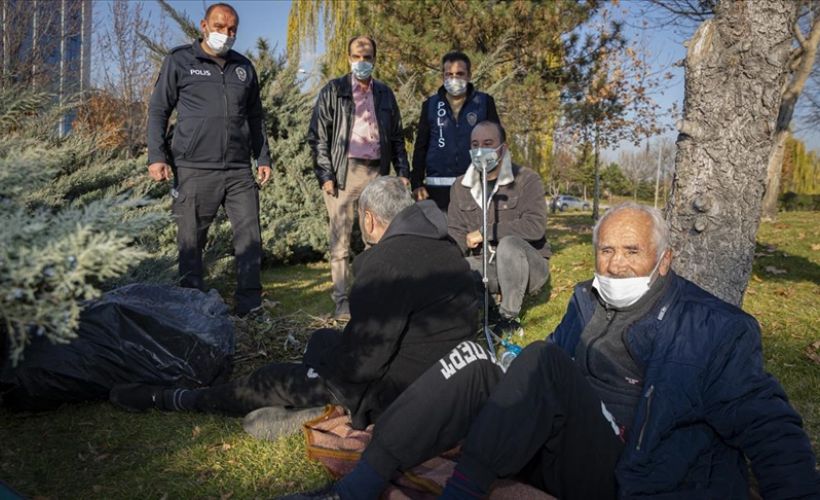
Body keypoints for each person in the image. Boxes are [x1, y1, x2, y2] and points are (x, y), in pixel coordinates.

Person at [301, 202, 819, 500]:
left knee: (541, 362)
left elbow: (770, 427)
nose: (615, 265)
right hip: (560, 450)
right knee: (479, 362)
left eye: (631, 252)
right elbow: (543, 378)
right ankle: (361, 484)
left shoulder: (711, 328)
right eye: (607, 250)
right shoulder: (585, 301)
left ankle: (462, 492)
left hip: (630, 472)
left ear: (664, 261)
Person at [109, 177, 480, 436]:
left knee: (270, 378)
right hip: (443, 376)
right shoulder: (445, 248)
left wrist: (324, 378)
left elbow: (365, 363)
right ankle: (317, 402)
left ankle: (179, 399)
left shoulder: (388, 263)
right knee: (321, 341)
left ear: (369, 219)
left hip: (396, 393)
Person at [146, 2, 271, 317]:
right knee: (191, 244)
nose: (225, 35)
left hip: (239, 170)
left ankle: (250, 307)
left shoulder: (244, 67)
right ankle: (192, 311)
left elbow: (256, 117)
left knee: (250, 239)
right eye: (219, 27)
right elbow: (159, 109)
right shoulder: (180, 61)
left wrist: (263, 157)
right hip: (194, 169)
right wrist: (157, 155)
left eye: (232, 30)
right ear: (204, 26)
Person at [307, 35, 410, 321]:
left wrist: (402, 172)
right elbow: (318, 136)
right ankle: (341, 302)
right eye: (357, 56)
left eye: (367, 57)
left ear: (375, 59)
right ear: (348, 58)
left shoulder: (385, 94)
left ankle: (371, 296)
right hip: (344, 173)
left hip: (378, 171)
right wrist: (325, 174)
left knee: (376, 239)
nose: (362, 62)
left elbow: (398, 137)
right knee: (340, 241)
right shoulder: (334, 90)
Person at [449, 121, 550, 335]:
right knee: (453, 269)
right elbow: (456, 232)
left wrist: (487, 232)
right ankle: (490, 311)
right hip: (487, 265)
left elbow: (535, 226)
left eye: (487, 143)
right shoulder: (460, 186)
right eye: (474, 144)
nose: (480, 150)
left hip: (529, 267)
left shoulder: (527, 179)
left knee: (509, 244)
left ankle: (508, 318)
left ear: (502, 148)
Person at [410, 52, 500, 211]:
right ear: (442, 76)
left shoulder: (484, 102)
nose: (454, 79)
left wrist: (496, 180)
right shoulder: (430, 105)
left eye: (460, 74)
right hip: (437, 191)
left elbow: (497, 144)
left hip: (475, 187)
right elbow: (420, 147)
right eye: (449, 74)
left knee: (472, 234)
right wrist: (416, 184)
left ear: (469, 75)